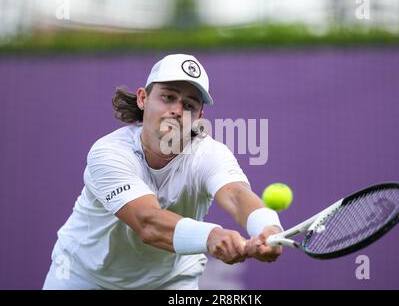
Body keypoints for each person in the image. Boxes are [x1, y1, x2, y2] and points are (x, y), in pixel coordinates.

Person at [43, 54, 283, 290]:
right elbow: (148, 223)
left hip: (170, 281)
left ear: (199, 117)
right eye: (168, 97)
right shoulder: (109, 152)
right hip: (82, 275)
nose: (178, 110)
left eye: (189, 105)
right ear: (143, 98)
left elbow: (236, 195)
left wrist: (268, 229)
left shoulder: (210, 153)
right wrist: (212, 236)